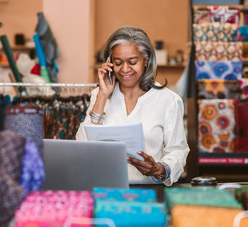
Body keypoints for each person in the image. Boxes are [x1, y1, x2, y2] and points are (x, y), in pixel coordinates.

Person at [76, 26, 190, 186]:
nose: (124, 69)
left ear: (146, 59)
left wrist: (159, 169)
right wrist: (102, 96)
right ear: (109, 63)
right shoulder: (99, 95)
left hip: (149, 192)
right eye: (117, 63)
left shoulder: (168, 100)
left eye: (132, 62)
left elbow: (178, 151)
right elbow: (82, 146)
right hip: (104, 189)